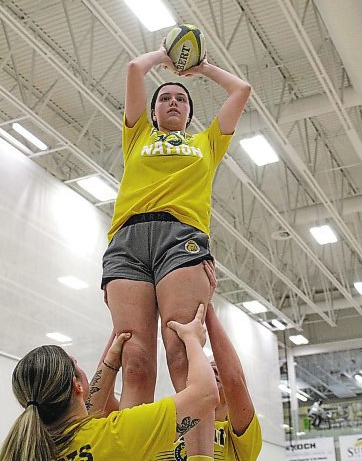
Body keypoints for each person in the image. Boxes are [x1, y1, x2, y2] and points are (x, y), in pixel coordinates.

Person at [102, 39, 251, 456]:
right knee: (135, 361)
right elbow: (135, 67)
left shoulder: (206, 143)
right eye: (164, 97)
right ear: (151, 112)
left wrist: (200, 68)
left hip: (181, 240)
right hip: (128, 243)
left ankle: (197, 455)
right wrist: (166, 58)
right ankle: (132, 453)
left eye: (180, 99)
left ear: (189, 113)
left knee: (184, 356)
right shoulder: (137, 137)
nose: (172, 101)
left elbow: (241, 90)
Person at [0, 304, 219, 461]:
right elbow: (206, 395)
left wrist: (110, 365)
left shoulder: (29, 450)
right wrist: (193, 340)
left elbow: (87, 414)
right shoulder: (115, 436)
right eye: (76, 364)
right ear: (77, 386)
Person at [155, 261, 263, 460]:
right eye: (210, 367)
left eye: (217, 368)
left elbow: (234, 380)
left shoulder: (240, 438)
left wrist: (208, 306)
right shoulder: (170, 424)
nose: (214, 370)